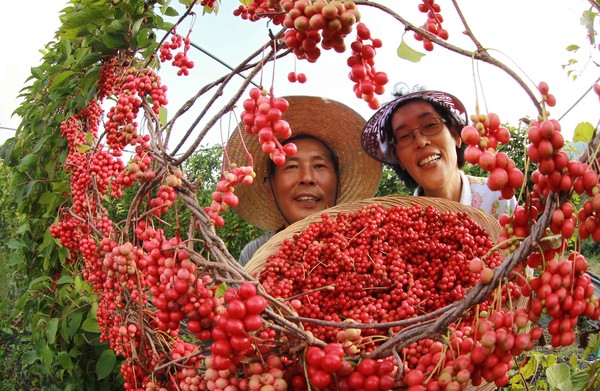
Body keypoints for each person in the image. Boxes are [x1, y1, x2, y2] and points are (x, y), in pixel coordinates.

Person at [227, 95, 383, 266]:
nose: (307, 178)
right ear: (270, 187)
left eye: (319, 166)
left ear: (338, 184)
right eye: (292, 167)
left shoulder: (371, 245)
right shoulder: (254, 255)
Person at [361, 86, 517, 218]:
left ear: (456, 135)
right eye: (404, 136)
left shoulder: (497, 196)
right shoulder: (402, 225)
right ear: (398, 159)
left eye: (430, 125)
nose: (421, 142)